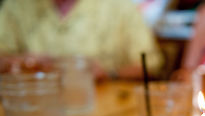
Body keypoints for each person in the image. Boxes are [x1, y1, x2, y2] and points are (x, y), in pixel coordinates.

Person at [0, 0, 163, 80]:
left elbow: (151, 64)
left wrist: (108, 73)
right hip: (33, 107)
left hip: (104, 109)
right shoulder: (16, 5)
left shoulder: (119, 5)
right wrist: (25, 62)